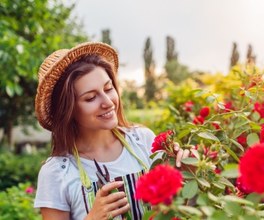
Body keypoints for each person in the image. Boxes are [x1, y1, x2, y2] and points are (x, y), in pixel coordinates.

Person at [33, 42, 188, 220]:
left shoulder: (143, 141)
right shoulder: (57, 173)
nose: (108, 102)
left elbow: (183, 207)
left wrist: (187, 171)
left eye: (108, 88)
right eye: (90, 98)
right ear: (68, 110)